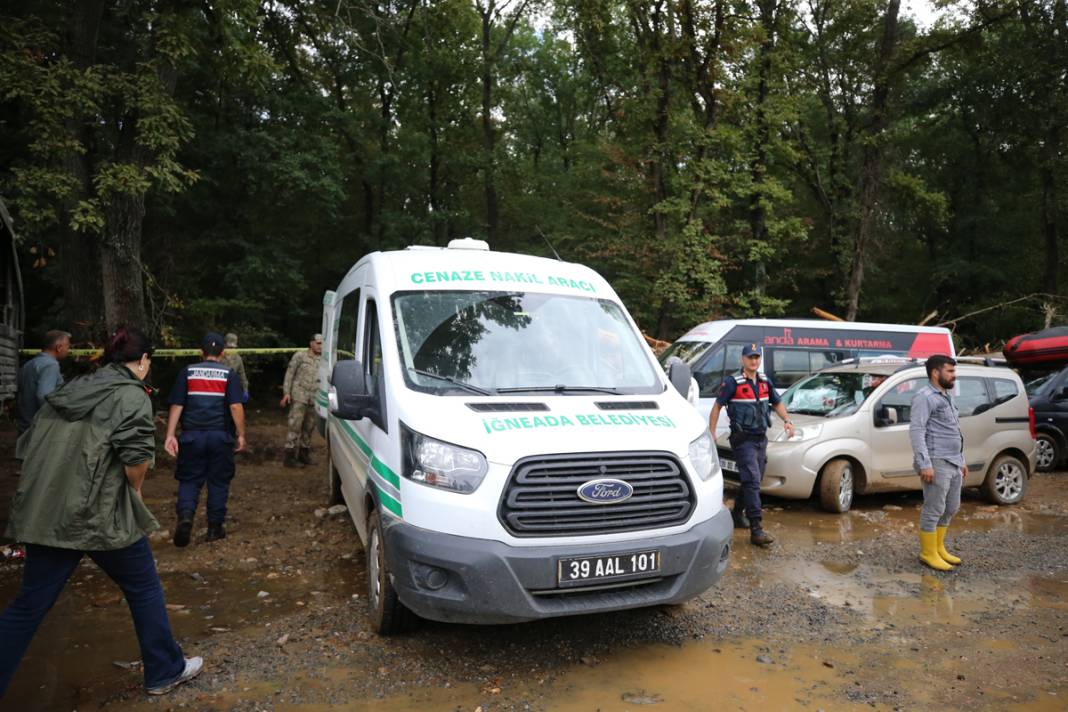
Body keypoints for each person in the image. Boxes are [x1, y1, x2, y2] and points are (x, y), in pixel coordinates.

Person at [0, 327, 202, 697]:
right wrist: (136, 491)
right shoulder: (130, 396)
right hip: (99, 514)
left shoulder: (71, 388)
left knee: (28, 605)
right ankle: (163, 671)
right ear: (142, 362)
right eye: (148, 362)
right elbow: (135, 458)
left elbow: (30, 446)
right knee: (143, 586)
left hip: (47, 511)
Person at [709, 344, 796, 547]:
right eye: (750, 357)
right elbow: (717, 407)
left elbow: (777, 403)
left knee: (750, 481)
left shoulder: (765, 381)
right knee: (753, 481)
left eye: (756, 357)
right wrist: (712, 433)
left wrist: (787, 420)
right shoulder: (733, 382)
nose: (754, 361)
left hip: (760, 439)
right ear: (743, 360)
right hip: (743, 440)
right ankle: (756, 530)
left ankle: (737, 514)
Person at [164, 332, 246, 546]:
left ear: (201, 352)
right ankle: (214, 528)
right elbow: (236, 406)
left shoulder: (187, 372)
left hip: (192, 436)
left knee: (189, 480)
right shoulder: (229, 374)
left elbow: (177, 404)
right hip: (220, 436)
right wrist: (241, 434)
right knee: (218, 481)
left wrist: (170, 434)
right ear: (223, 352)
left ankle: (186, 517)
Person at [910, 354, 965, 571]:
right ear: (935, 372)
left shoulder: (947, 396)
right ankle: (927, 553)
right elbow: (917, 430)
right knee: (934, 508)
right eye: (950, 371)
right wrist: (924, 463)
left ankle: (939, 548)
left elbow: (954, 431)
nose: (954, 375)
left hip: (953, 461)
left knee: (951, 506)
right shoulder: (924, 397)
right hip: (936, 459)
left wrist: (962, 460)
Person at [16, 330, 71, 432]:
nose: (68, 350)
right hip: (39, 430)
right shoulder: (51, 365)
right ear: (59, 347)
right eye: (67, 346)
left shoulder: (29, 364)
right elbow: (44, 397)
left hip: (25, 426)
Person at [280, 334, 322, 468]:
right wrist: (286, 393)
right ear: (311, 343)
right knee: (295, 426)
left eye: (322, 344)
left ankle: (304, 454)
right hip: (299, 396)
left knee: (309, 427)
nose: (320, 346)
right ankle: (289, 456)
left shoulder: (324, 359)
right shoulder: (300, 356)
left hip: (314, 398)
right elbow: (290, 374)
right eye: (318, 343)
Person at [220, 332, 249, 402]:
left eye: (233, 347)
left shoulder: (238, 358)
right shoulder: (218, 357)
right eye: (229, 347)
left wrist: (245, 390)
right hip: (219, 387)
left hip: (232, 388)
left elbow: (242, 375)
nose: (231, 349)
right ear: (225, 345)